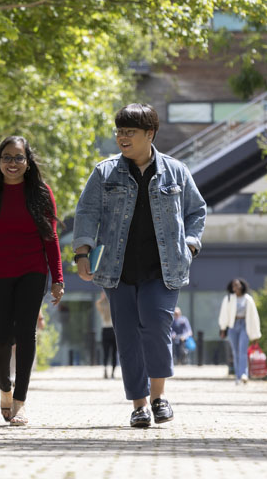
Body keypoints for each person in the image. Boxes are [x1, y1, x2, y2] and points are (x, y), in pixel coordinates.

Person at [73, 103, 206, 428]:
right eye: (119, 131)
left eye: (129, 132)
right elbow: (87, 212)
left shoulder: (176, 171)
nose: (122, 137)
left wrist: (190, 245)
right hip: (117, 270)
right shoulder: (104, 172)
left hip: (164, 269)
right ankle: (139, 405)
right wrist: (82, 252)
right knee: (128, 336)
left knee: (156, 328)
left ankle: (159, 398)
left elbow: (196, 211)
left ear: (150, 134)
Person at [0, 135, 64, 427]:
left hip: (32, 271)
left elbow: (51, 238)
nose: (13, 163)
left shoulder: (41, 193)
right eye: (7, 157)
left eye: (19, 157)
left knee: (25, 334)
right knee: (1, 338)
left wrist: (57, 277)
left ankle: (20, 403)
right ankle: (5, 390)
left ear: (28, 161)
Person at [219, 278, 262, 384]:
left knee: (242, 351)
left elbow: (254, 317)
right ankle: (238, 377)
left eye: (238, 285)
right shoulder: (228, 298)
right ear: (231, 287)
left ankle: (244, 374)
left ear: (242, 286)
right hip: (233, 326)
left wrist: (255, 334)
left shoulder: (248, 299)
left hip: (244, 326)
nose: (236, 287)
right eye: (234, 285)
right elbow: (224, 314)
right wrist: (223, 328)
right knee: (235, 351)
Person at [96, 290, 117, 379]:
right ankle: (105, 370)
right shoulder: (102, 305)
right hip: (105, 330)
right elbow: (98, 303)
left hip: (114, 330)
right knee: (106, 352)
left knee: (114, 353)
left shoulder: (113, 304)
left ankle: (112, 372)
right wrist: (103, 297)